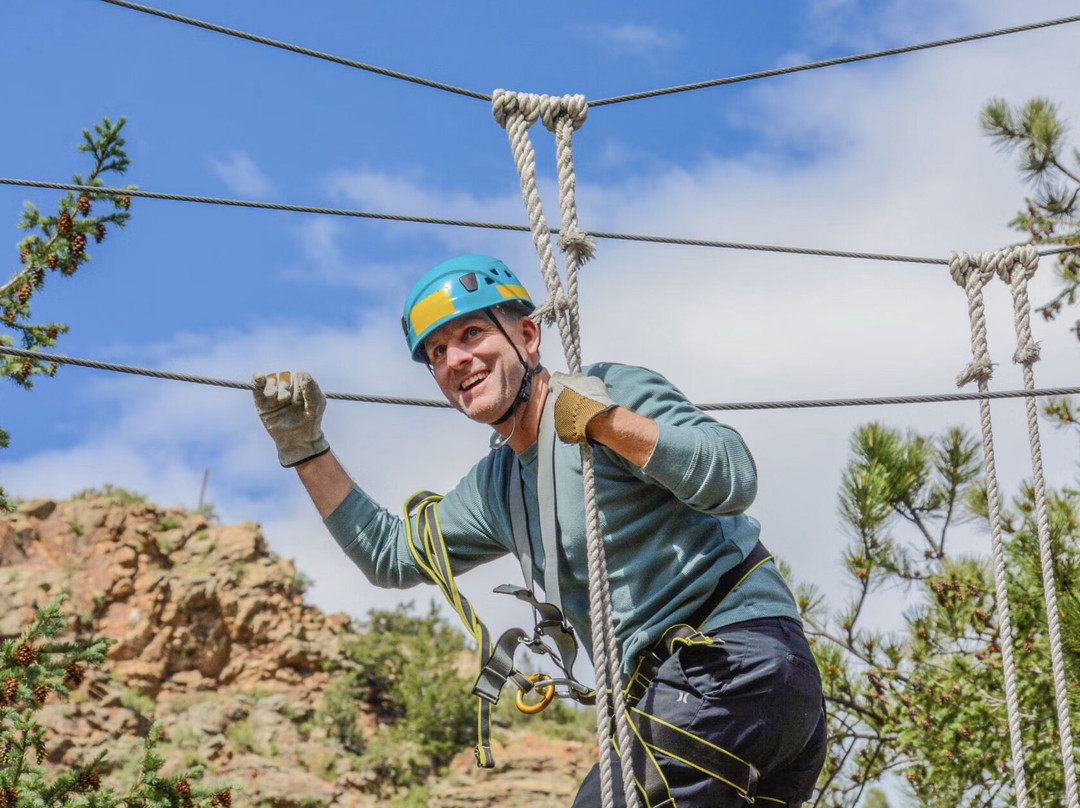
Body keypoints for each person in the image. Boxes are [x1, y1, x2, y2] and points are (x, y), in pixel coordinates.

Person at [253, 254, 826, 807]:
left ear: (528, 336)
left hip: (731, 662)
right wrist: (306, 450)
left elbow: (732, 476)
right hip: (723, 698)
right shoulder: (498, 487)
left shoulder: (609, 388)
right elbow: (390, 556)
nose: (454, 359)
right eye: (436, 352)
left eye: (472, 334)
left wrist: (608, 424)